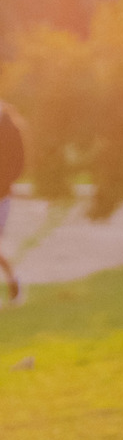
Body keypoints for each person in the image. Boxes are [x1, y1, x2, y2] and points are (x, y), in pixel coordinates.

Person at [0, 101, 26, 304]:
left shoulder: (10, 130)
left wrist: (4, 180)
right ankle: (13, 282)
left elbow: (18, 163)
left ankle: (13, 282)